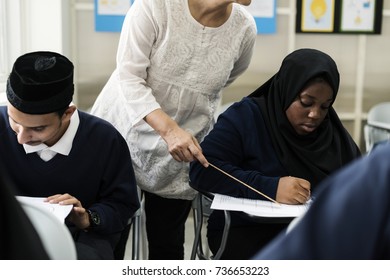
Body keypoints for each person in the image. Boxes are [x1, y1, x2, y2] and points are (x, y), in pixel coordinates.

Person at [90, 0, 257, 259]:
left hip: (180, 151)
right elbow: (129, 77)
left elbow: (225, 80)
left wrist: (182, 122)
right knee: (111, 240)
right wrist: (169, 130)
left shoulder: (245, 27)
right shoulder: (155, 6)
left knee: (167, 245)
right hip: (125, 135)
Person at [189, 48, 361, 259]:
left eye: (325, 106)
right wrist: (271, 187)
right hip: (247, 230)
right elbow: (202, 169)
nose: (315, 114)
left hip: (313, 232)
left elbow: (358, 184)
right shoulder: (246, 117)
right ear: (287, 91)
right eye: (306, 102)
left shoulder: (332, 134)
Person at [0, 51, 140, 260]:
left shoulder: (104, 138)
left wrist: (87, 218)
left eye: (37, 129)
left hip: (81, 236)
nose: (21, 138)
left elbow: (122, 204)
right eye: (15, 122)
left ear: (68, 113)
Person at [254, 142, 390, 260]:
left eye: (324, 109)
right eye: (305, 109)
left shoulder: (342, 142)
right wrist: (271, 186)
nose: (314, 114)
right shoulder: (380, 170)